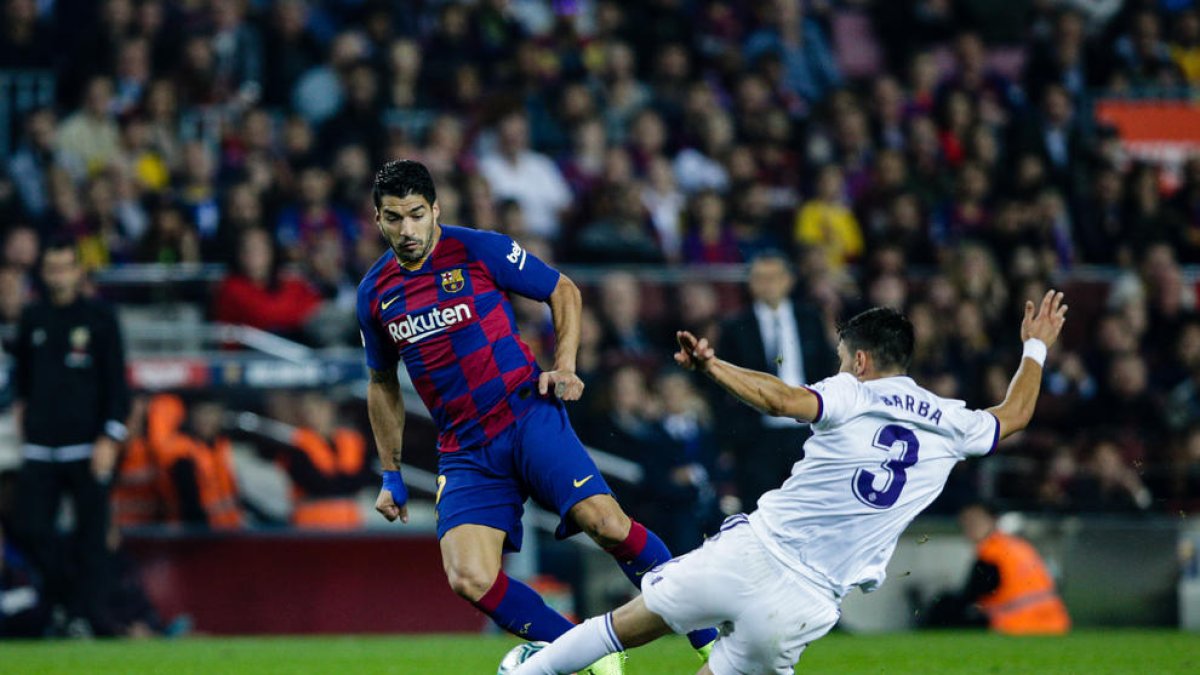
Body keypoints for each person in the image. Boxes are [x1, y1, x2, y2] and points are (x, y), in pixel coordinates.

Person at [513, 291, 1069, 675]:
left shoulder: (855, 391)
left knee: (620, 628)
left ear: (861, 359)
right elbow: (1015, 414)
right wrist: (1035, 347)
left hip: (755, 552)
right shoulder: (954, 421)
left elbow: (782, 399)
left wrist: (713, 368)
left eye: (841, 358)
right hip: (809, 602)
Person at [358, 160, 717, 672]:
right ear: (378, 219)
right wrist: (391, 472)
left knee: (608, 524)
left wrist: (565, 364)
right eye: (394, 218)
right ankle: (585, 653)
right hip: (464, 448)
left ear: (435, 209)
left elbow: (563, 289)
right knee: (468, 576)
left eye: (417, 214)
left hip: (525, 413)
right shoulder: (375, 293)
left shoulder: (477, 249)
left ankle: (710, 643)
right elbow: (381, 383)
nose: (407, 230)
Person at [10, 237, 131, 636]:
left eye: (65, 268)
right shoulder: (33, 319)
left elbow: (117, 384)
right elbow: (23, 379)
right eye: (52, 269)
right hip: (42, 447)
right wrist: (23, 410)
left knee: (92, 537)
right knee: (29, 528)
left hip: (87, 445)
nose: (58, 277)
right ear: (42, 274)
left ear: (79, 272)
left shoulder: (99, 318)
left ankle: (88, 617)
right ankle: (66, 601)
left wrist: (110, 437)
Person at [717, 251, 836, 508]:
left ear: (788, 281)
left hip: (806, 430)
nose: (768, 284)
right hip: (758, 436)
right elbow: (723, 383)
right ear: (750, 284)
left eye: (774, 277)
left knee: (810, 507)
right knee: (760, 509)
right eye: (761, 278)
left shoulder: (810, 319)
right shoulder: (735, 326)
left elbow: (826, 369)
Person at [921, 503, 1070, 635]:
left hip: (1017, 624)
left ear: (993, 520)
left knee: (945, 606)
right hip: (1055, 622)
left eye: (975, 521)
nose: (970, 528)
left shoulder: (990, 554)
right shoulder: (1018, 545)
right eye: (966, 523)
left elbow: (971, 594)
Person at [278, 391, 372, 529]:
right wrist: (342, 482)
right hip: (311, 524)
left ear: (330, 408)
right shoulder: (296, 446)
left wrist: (339, 482)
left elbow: (362, 478)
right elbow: (315, 483)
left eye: (318, 409)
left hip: (349, 522)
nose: (313, 416)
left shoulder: (352, 440)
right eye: (309, 411)